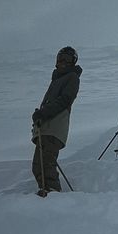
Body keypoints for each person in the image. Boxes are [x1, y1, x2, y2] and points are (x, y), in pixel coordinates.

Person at [31, 46, 81, 195]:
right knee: (38, 164)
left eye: (66, 59)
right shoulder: (57, 79)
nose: (62, 62)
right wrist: (40, 116)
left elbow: (65, 99)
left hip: (55, 127)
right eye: (60, 58)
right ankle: (46, 190)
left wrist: (43, 113)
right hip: (46, 127)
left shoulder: (72, 77)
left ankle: (51, 192)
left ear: (73, 61)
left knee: (46, 162)